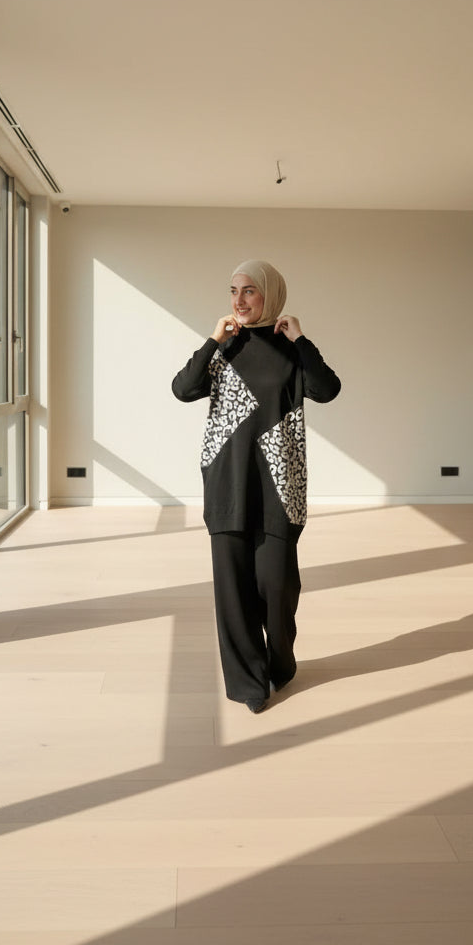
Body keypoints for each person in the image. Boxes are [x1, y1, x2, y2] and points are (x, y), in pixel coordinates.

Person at [172, 259, 341, 713]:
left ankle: (280, 662)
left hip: (279, 486)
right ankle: (249, 684)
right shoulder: (224, 348)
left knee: (277, 587)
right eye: (233, 291)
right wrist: (213, 339)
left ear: (270, 295)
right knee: (233, 592)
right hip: (227, 484)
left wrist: (301, 339)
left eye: (249, 291)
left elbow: (326, 389)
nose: (239, 300)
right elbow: (183, 389)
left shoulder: (290, 350)